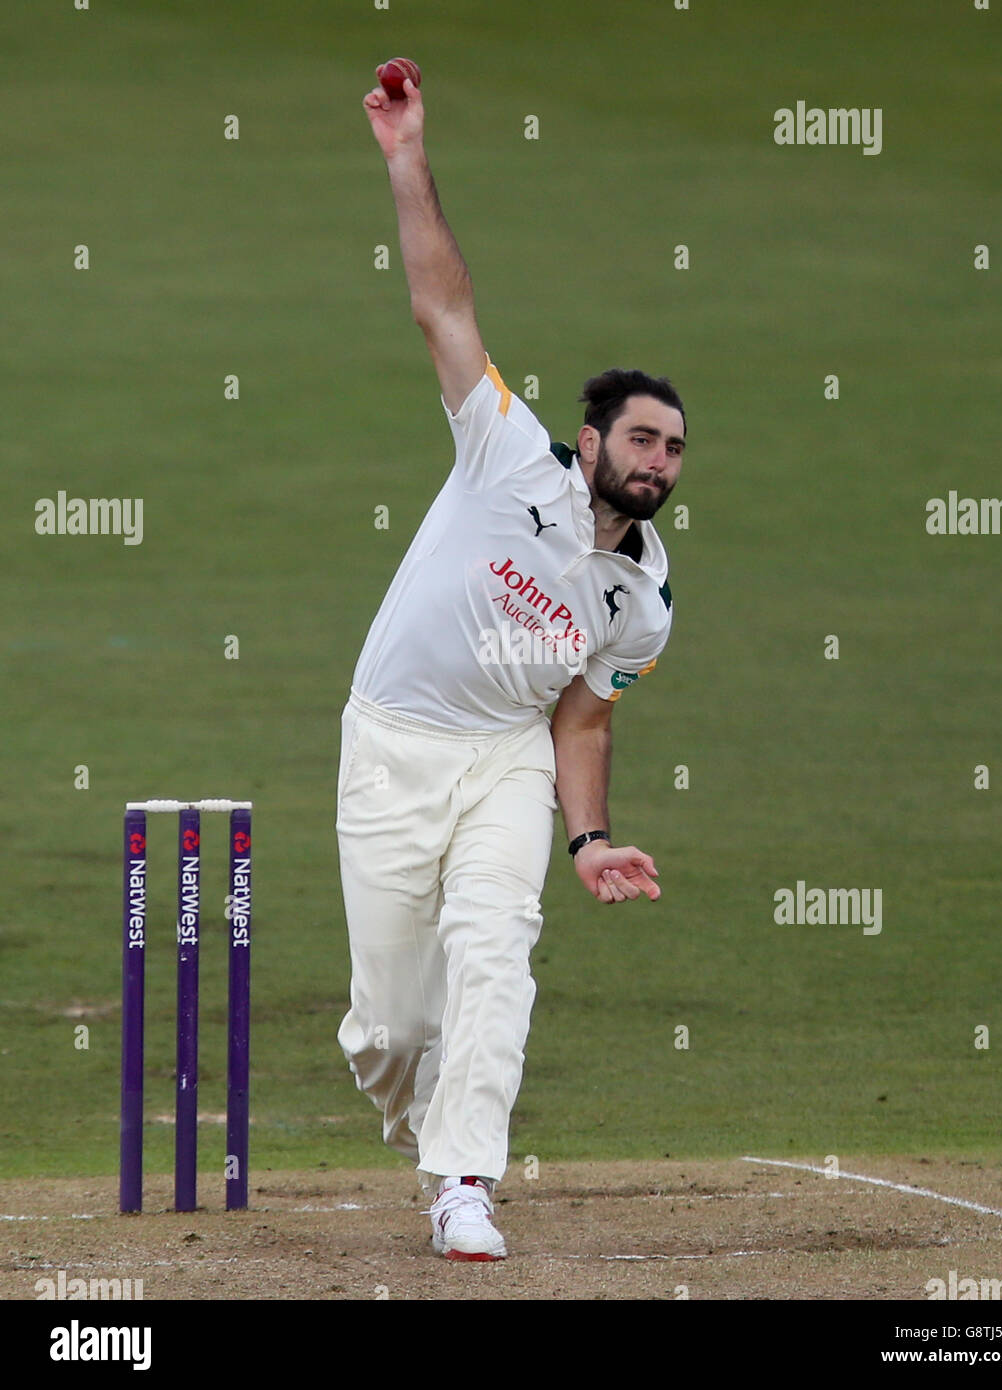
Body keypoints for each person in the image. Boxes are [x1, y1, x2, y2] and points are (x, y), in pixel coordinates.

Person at [336, 70, 687, 1261]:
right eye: (640, 437)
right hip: (390, 741)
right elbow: (443, 307)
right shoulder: (505, 451)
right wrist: (405, 154)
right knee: (387, 1024)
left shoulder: (645, 598)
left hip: (503, 765)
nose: (657, 460)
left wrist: (588, 839)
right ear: (591, 441)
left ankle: (463, 1179)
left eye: (675, 449)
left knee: (496, 947)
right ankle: (425, 1113)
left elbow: (583, 722)